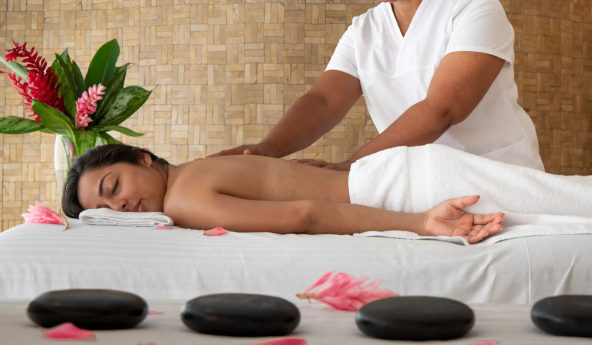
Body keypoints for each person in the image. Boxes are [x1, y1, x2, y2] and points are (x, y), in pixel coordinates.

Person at [215, 0, 544, 171]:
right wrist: (268, 148)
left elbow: (442, 110)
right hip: (419, 182)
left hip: (497, 175)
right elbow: (324, 100)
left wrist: (351, 168)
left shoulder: (474, 9)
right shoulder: (364, 30)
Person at [61, 144, 505, 244]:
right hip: (401, 172)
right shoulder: (197, 168)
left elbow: (304, 215)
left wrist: (421, 222)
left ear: (142, 158)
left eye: (113, 186)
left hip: (404, 191)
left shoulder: (182, 201)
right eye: (106, 210)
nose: (120, 205)